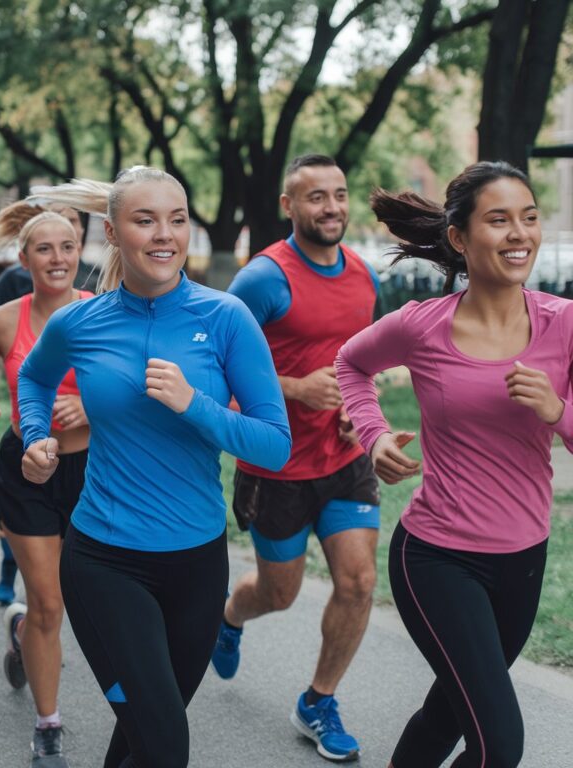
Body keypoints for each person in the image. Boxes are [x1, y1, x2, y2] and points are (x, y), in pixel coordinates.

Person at [18, 167, 291, 768]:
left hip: (198, 565)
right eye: (145, 221)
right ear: (113, 234)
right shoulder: (79, 322)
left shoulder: (226, 319)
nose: (165, 235)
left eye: (177, 219)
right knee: (165, 744)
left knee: (143, 736)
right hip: (105, 562)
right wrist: (36, 437)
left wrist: (196, 406)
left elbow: (274, 445)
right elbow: (33, 376)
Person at [335, 161, 572, 768]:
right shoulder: (423, 326)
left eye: (529, 217)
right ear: (461, 239)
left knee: (447, 713)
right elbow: (350, 365)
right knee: (498, 745)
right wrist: (375, 436)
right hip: (436, 557)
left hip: (523, 560)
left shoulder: (563, 325)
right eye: (499, 220)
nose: (519, 233)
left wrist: (557, 409)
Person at [212, 153, 379, 763]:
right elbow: (214, 370)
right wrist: (295, 387)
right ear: (290, 206)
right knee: (279, 593)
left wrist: (355, 398)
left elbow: (359, 359)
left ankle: (318, 700)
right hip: (275, 466)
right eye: (316, 197)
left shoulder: (364, 276)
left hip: (344, 456)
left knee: (358, 582)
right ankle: (230, 614)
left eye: (339, 194)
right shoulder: (262, 279)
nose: (331, 207)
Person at [0, 211, 92, 766]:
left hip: (96, 469)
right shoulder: (1, 320)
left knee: (83, 600)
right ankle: (48, 724)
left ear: (80, 250)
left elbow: (137, 385)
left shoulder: (101, 314)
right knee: (48, 602)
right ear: (25, 258)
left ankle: (19, 632)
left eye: (67, 247)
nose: (57, 258)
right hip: (24, 467)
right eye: (44, 249)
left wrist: (90, 403)